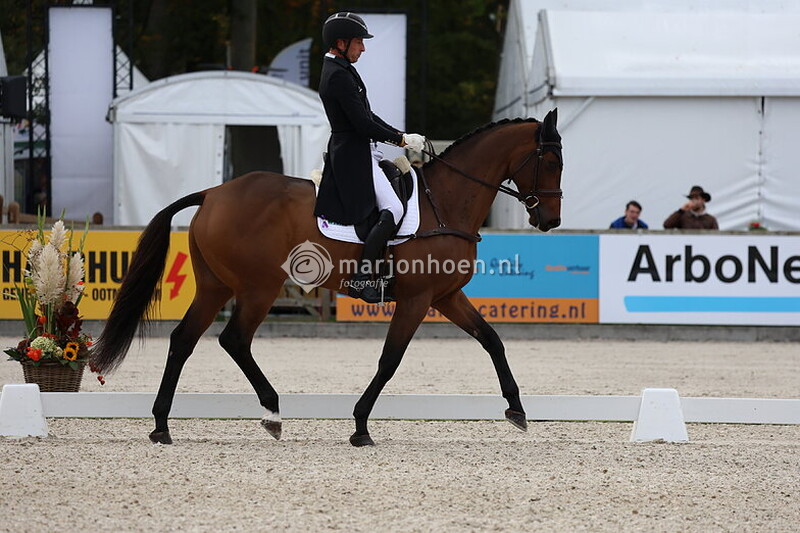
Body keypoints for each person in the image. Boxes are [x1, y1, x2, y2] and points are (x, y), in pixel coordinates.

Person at [314, 12, 426, 303]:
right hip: (352, 155)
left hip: (360, 149)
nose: (362, 48)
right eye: (359, 43)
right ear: (341, 42)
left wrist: (402, 134)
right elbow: (363, 125)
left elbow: (367, 116)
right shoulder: (337, 75)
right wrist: (401, 140)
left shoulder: (342, 68)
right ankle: (362, 278)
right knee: (394, 208)